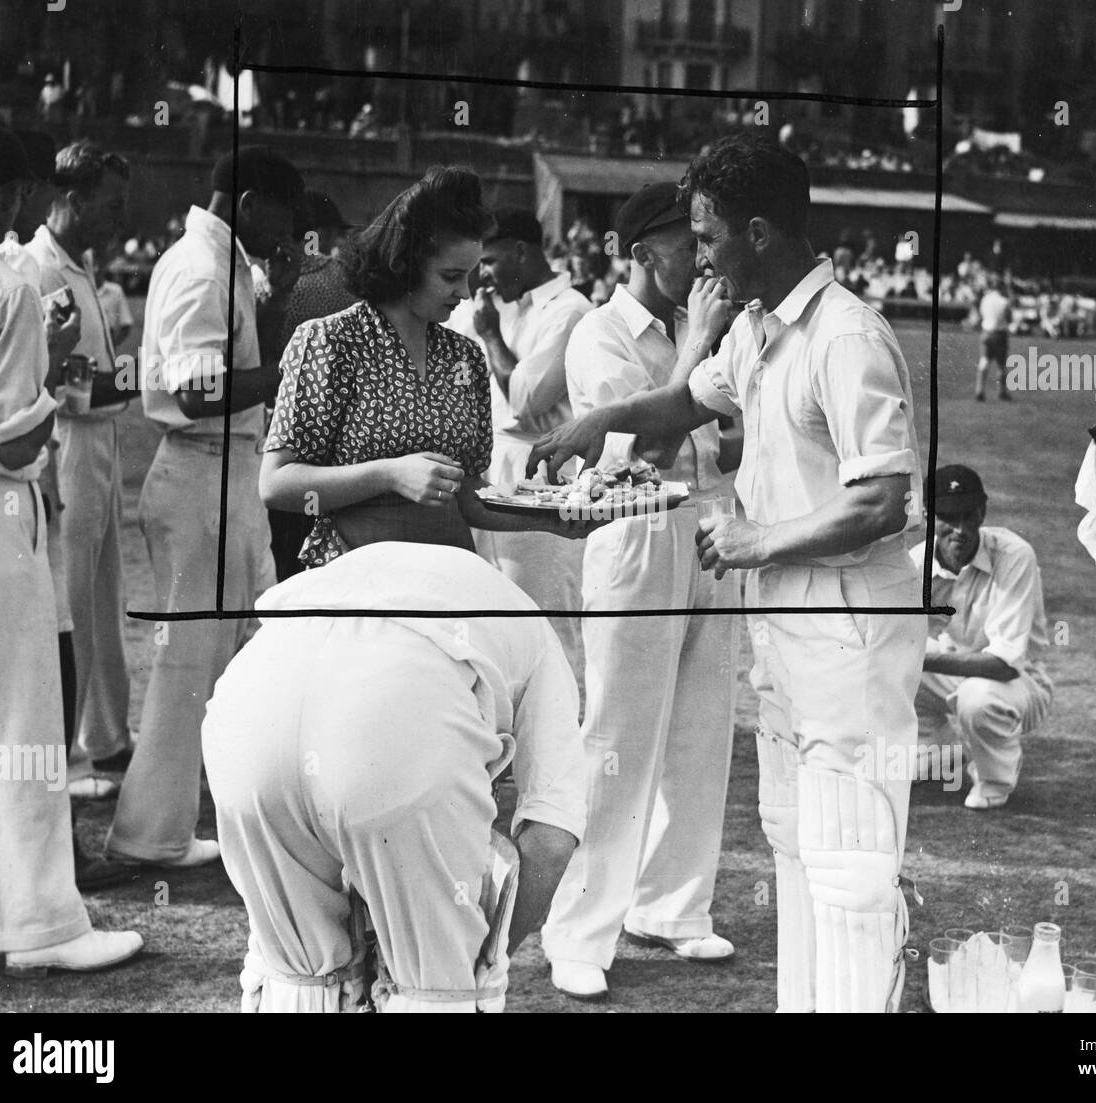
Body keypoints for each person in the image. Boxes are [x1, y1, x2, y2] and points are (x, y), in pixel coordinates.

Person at [528, 134, 927, 1013]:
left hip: (850, 629)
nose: (700, 259)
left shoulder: (847, 337)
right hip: (787, 628)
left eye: (707, 239)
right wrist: (597, 424)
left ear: (756, 231)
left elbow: (881, 504)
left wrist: (756, 541)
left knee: (853, 864)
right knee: (792, 841)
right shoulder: (755, 328)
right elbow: (686, 400)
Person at [202, 542, 587, 1012]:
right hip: (396, 724)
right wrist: (478, 962)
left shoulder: (359, 571)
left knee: (298, 979)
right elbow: (551, 838)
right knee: (434, 994)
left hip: (250, 707)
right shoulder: (535, 637)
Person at [542, 183, 740, 1000]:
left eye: (702, 239)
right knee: (618, 736)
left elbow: (724, 445)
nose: (699, 257)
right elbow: (639, 444)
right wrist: (699, 342)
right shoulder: (600, 334)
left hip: (711, 530)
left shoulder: (714, 325)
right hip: (634, 535)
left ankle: (673, 906)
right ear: (638, 253)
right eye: (678, 241)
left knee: (702, 727)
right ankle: (578, 930)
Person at [0, 119, 142, 975]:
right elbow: (14, 440)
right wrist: (47, 373)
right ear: (16, 195)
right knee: (20, 725)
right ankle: (40, 925)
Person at [104, 146, 305, 868]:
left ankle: (181, 823)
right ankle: (146, 835)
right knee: (188, 659)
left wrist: (275, 306)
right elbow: (196, 393)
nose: (289, 232)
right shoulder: (199, 268)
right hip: (199, 475)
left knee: (232, 652)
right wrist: (285, 373)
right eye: (282, 214)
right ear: (249, 204)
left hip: (226, 474)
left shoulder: (221, 264)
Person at [260, 169, 596, 568]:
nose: (466, 293)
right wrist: (389, 474)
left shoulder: (464, 356)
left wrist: (550, 520)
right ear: (404, 263)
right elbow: (277, 483)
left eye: (470, 276)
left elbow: (470, 497)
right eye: (451, 276)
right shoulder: (333, 341)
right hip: (362, 574)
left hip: (450, 575)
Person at [25, 141, 138, 777]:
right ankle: (63, 752)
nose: (118, 218)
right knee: (72, 601)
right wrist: (150, 376)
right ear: (71, 200)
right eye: (110, 205)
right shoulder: (42, 270)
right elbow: (71, 387)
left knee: (103, 593)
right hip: (68, 444)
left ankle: (106, 736)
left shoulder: (79, 264)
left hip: (102, 442)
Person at [466, 208, 594, 675]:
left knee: (542, 612)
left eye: (491, 262)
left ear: (522, 252)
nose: (483, 275)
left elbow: (525, 400)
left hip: (542, 469)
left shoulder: (571, 310)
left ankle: (555, 733)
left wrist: (489, 335)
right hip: (490, 467)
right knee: (490, 610)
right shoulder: (495, 304)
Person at [910, 465, 1053, 811]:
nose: (960, 530)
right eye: (948, 517)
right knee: (883, 667)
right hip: (956, 672)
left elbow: (1004, 665)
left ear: (982, 513)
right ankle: (937, 750)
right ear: (929, 515)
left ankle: (995, 779)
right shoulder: (915, 563)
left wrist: (914, 658)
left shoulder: (1015, 555)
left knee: (977, 696)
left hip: (1019, 684)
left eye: (969, 516)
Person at [264, 189, 358, 582]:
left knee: (280, 556)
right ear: (317, 233)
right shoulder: (344, 279)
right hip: (333, 440)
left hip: (271, 431)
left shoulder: (263, 278)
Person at [975, 278, 1011, 401]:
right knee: (1001, 365)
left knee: (984, 361)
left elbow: (981, 314)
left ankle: (979, 390)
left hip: (986, 332)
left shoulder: (985, 299)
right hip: (999, 334)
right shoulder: (1004, 301)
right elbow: (1009, 318)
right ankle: (1002, 392)